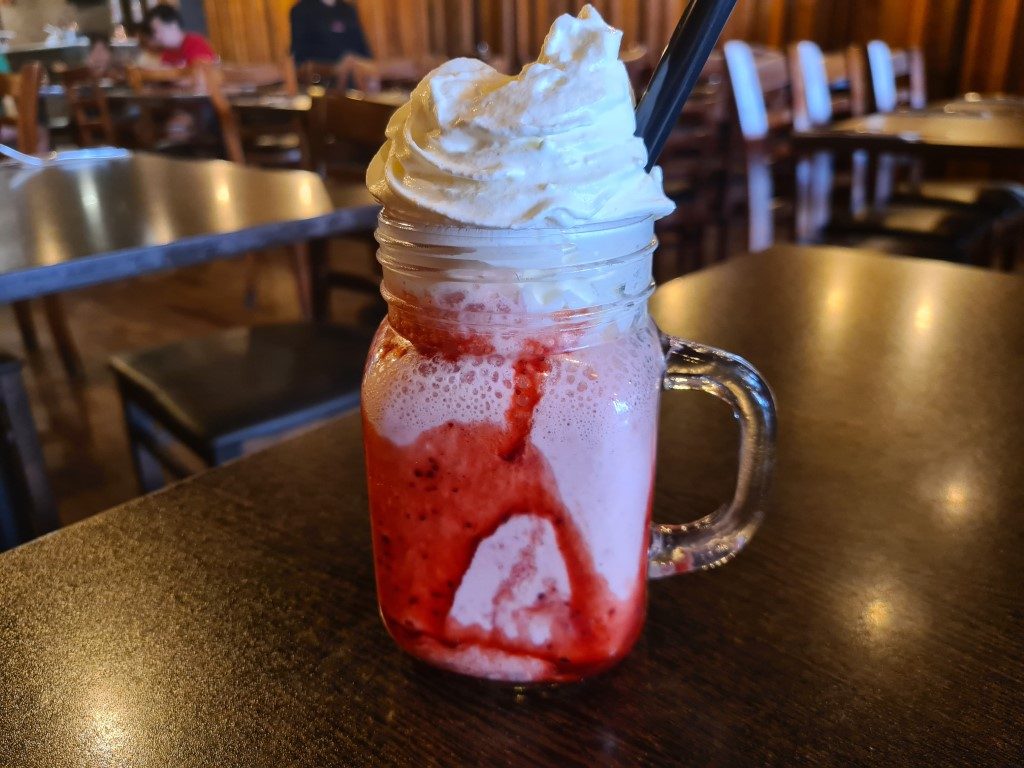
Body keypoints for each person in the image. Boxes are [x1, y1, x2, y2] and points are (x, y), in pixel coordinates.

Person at [290, 0, 370, 66]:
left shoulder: (348, 9)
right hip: (322, 77)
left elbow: (362, 48)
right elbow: (300, 54)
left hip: (358, 73)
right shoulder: (301, 10)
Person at [143, 4, 218, 68]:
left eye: (157, 31)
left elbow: (203, 77)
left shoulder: (195, 43)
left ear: (173, 25)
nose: (156, 36)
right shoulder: (168, 52)